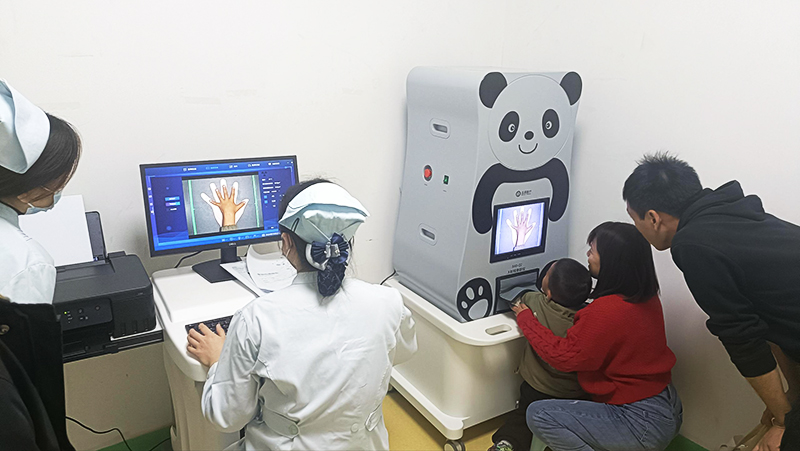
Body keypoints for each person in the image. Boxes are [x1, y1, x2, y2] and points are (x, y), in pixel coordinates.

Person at [186, 179, 417, 451]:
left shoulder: (256, 319)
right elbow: (403, 352)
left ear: (286, 243)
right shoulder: (388, 302)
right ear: (347, 243)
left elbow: (228, 417)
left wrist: (218, 361)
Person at [623, 153, 800, 451]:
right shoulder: (734, 214)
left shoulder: (694, 243)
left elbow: (742, 338)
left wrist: (784, 422)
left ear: (653, 217)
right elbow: (773, 319)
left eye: (634, 219)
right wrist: (789, 400)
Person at [515, 222, 682, 451]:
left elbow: (564, 357)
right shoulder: (647, 296)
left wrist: (526, 318)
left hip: (640, 422)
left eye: (592, 250)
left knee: (539, 414)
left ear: (611, 262)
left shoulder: (605, 311)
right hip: (667, 406)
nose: (588, 255)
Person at [0, 80, 81, 451]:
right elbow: (30, 377)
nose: (61, 185)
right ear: (25, 187)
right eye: (58, 177)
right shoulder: (27, 262)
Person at [489, 258, 591, 451]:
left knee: (522, 417)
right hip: (573, 393)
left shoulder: (536, 302)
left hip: (537, 388)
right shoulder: (588, 318)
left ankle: (507, 444)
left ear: (549, 293)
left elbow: (518, 298)